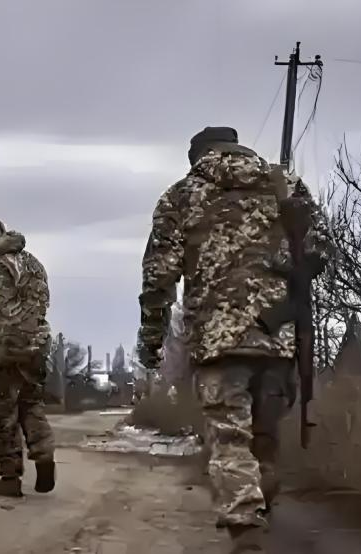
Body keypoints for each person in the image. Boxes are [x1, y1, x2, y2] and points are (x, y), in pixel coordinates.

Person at [137, 126, 332, 551]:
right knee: (265, 435)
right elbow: (320, 250)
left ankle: (246, 529)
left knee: (230, 438)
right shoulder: (284, 184)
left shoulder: (181, 196)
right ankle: (262, 497)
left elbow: (159, 277)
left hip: (218, 341)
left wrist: (151, 338)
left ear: (197, 156)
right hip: (278, 337)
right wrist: (282, 282)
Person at [0, 217, 56, 497]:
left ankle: (10, 478)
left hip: (6, 349)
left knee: (2, 414)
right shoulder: (33, 263)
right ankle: (44, 458)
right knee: (31, 404)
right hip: (36, 346)